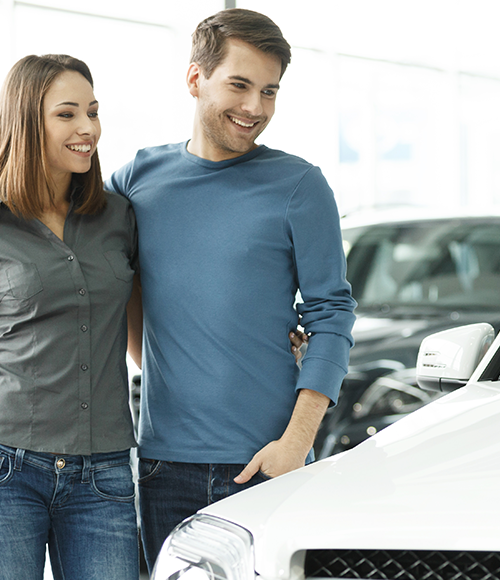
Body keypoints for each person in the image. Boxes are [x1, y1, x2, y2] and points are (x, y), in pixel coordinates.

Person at [107, 8, 356, 572]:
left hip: (271, 462)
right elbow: (109, 286)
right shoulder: (135, 181)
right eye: (239, 85)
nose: (255, 109)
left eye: (269, 91)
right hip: (163, 465)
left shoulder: (299, 184)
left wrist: (295, 444)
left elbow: (333, 314)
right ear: (195, 79)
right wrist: (167, 365)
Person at [0, 54, 142, 580]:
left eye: (94, 112)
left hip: (103, 472)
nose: (87, 129)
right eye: (67, 114)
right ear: (25, 120)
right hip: (7, 466)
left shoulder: (118, 215)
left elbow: (150, 330)